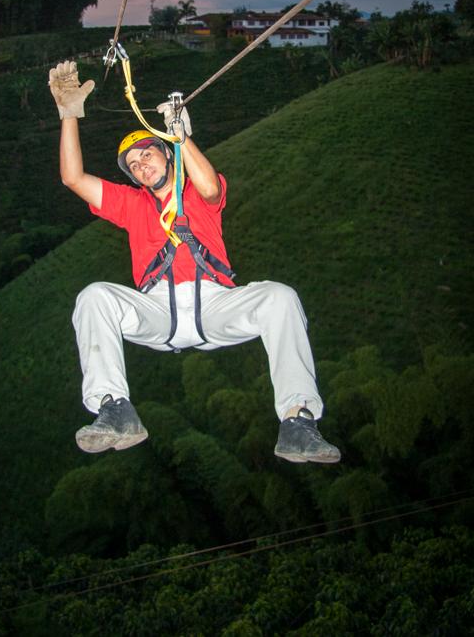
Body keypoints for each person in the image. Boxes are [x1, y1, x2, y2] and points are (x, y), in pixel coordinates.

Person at [49, 60, 340, 464]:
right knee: (95, 297)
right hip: (158, 309)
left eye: (146, 155)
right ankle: (114, 409)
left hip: (215, 302)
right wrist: (68, 114)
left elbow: (207, 185)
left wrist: (181, 137)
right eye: (133, 166)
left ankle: (298, 420)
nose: (140, 166)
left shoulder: (195, 189)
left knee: (280, 298)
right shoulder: (132, 204)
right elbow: (73, 179)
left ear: (166, 155)